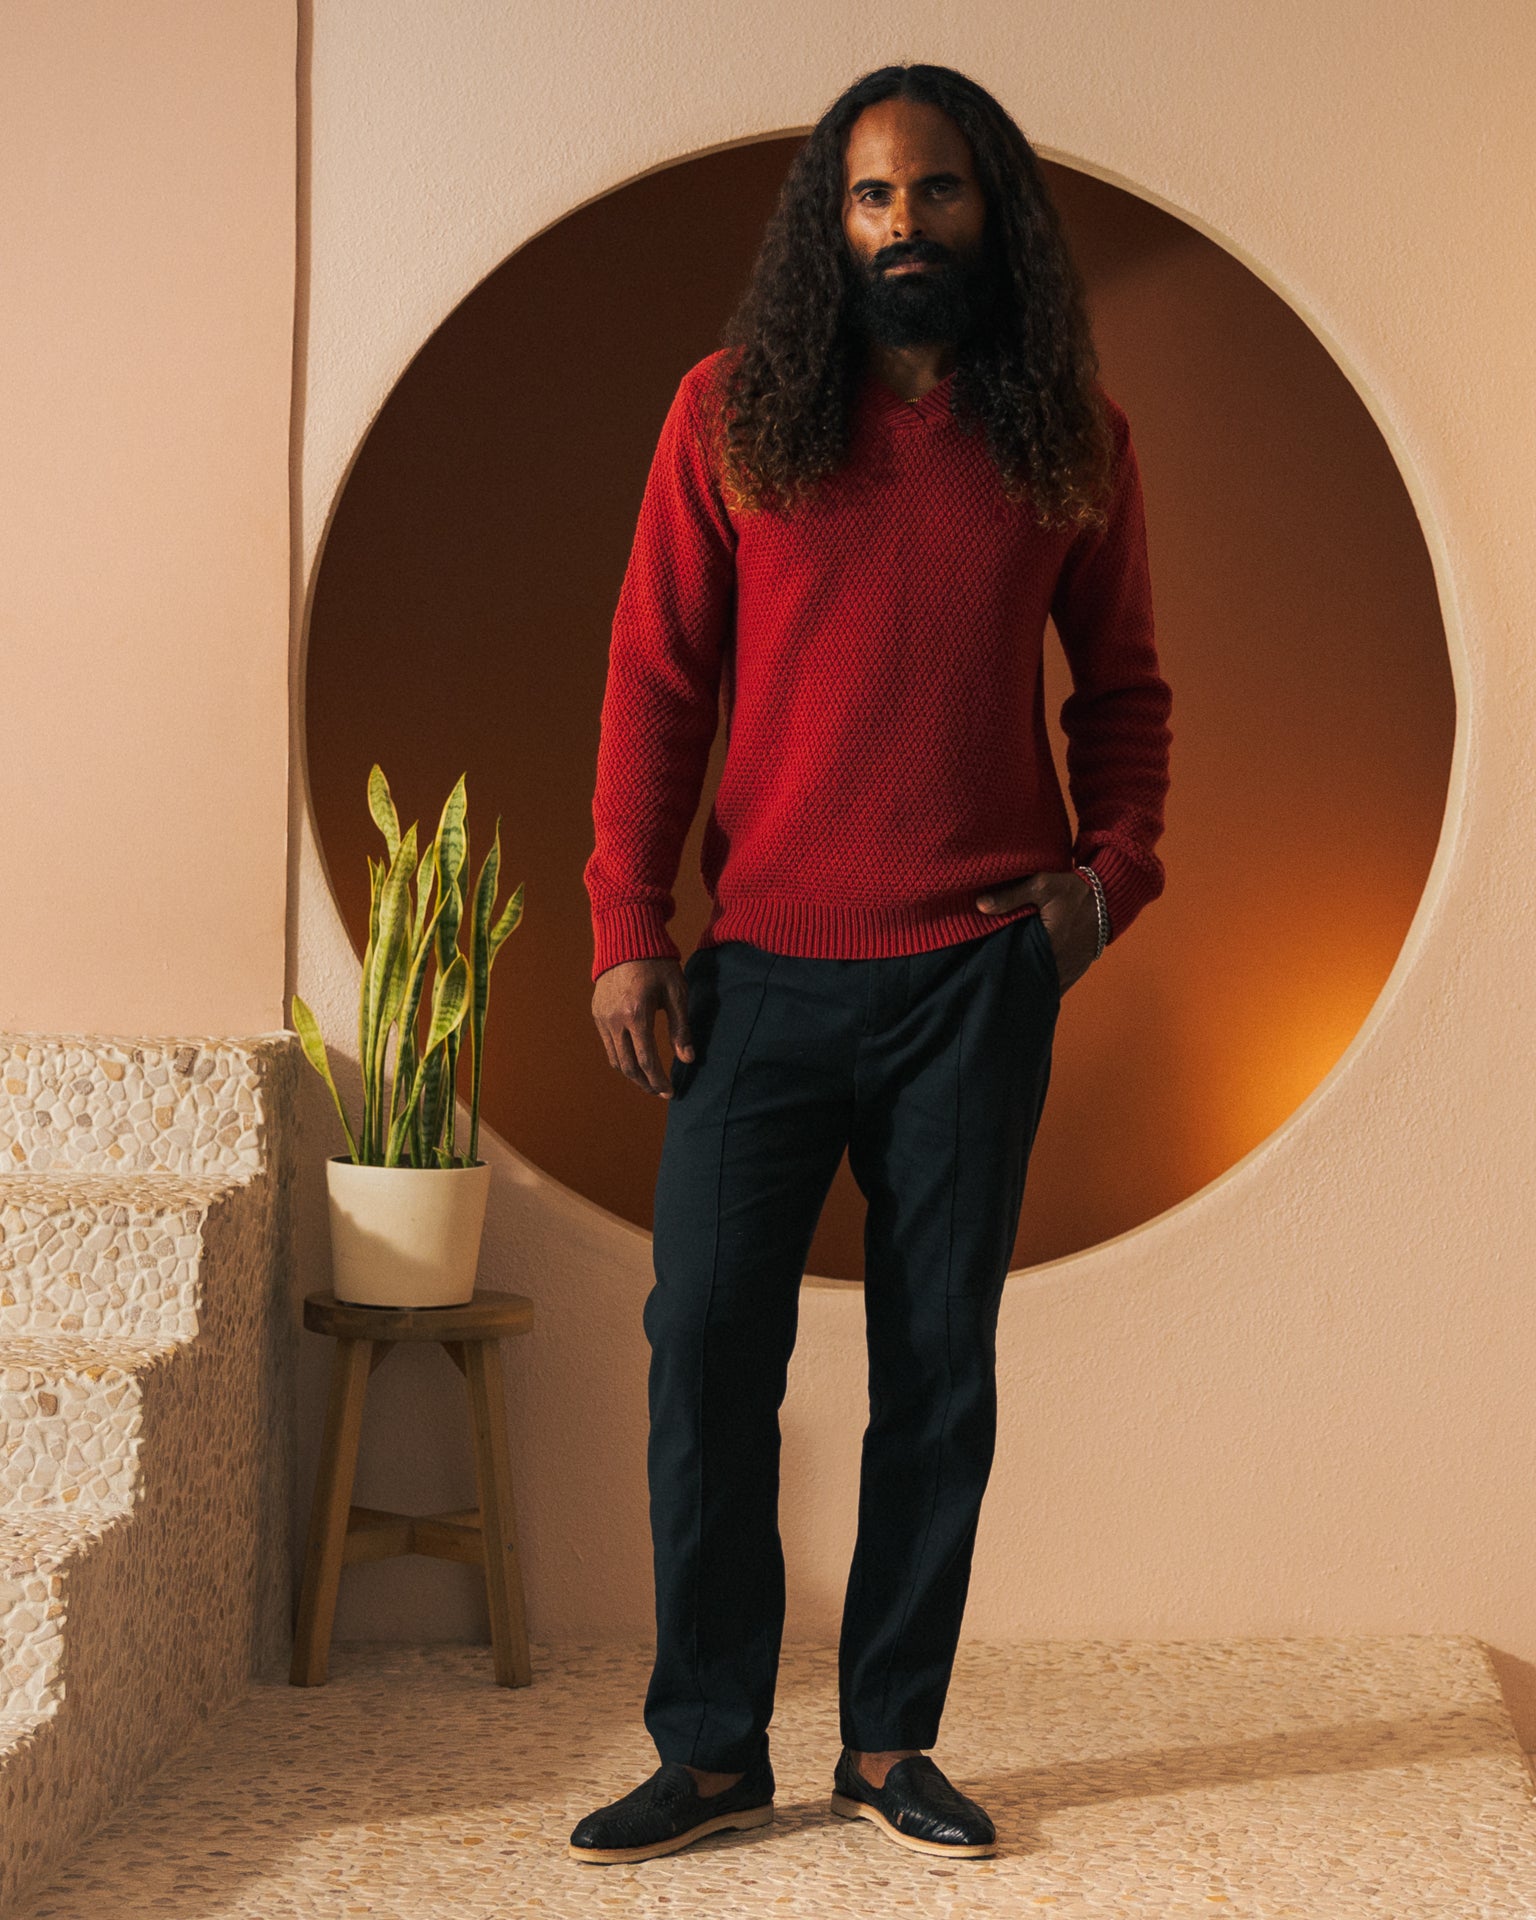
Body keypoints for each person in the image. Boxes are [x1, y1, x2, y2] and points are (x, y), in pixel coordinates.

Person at [572, 60, 1172, 1865]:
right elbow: (656, 685)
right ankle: (710, 1746)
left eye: (938, 192)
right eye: (871, 198)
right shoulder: (732, 416)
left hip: (972, 981)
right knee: (705, 1355)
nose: (905, 224)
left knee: (937, 1369)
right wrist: (628, 929)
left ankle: (890, 1740)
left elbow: (1125, 695)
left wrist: (1105, 885)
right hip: (763, 973)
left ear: (995, 209)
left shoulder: (1070, 433)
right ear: (829, 226)